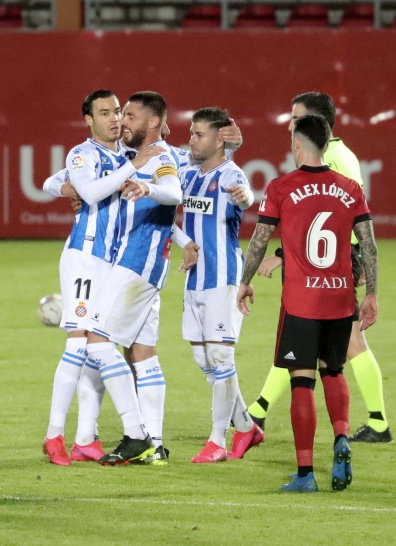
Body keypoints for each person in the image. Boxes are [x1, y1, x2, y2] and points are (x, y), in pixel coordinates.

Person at [237, 114, 379, 492]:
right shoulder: (350, 188)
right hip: (340, 298)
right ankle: (342, 438)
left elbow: (260, 240)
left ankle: (305, 475)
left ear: (297, 145)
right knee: (334, 371)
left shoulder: (281, 187)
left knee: (302, 380)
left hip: (301, 301)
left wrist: (245, 282)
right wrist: (371, 294)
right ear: (327, 144)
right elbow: (368, 246)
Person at [40, 90, 159, 466]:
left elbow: (50, 183)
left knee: (98, 348)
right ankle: (54, 436)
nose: (114, 119)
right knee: (78, 346)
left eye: (117, 111)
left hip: (112, 264)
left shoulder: (125, 154)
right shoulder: (84, 154)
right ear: (88, 120)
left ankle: (85, 438)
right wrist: (71, 186)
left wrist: (62, 187)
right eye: (104, 113)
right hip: (84, 258)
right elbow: (89, 193)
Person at [82, 91, 183, 465]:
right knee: (141, 353)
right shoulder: (139, 155)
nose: (122, 121)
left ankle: (135, 434)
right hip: (147, 266)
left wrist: (147, 187)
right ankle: (155, 444)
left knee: (97, 343)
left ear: (153, 122)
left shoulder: (159, 158)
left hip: (137, 264)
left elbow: (173, 192)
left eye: (130, 115)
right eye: (120, 114)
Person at [172, 107, 262, 464]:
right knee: (202, 357)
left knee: (221, 357)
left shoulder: (231, 174)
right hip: (195, 276)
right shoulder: (188, 173)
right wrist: (184, 242)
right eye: (191, 133)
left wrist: (244, 197)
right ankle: (246, 426)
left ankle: (218, 440)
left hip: (223, 277)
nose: (192, 140)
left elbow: (247, 195)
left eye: (199, 135)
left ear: (218, 139)